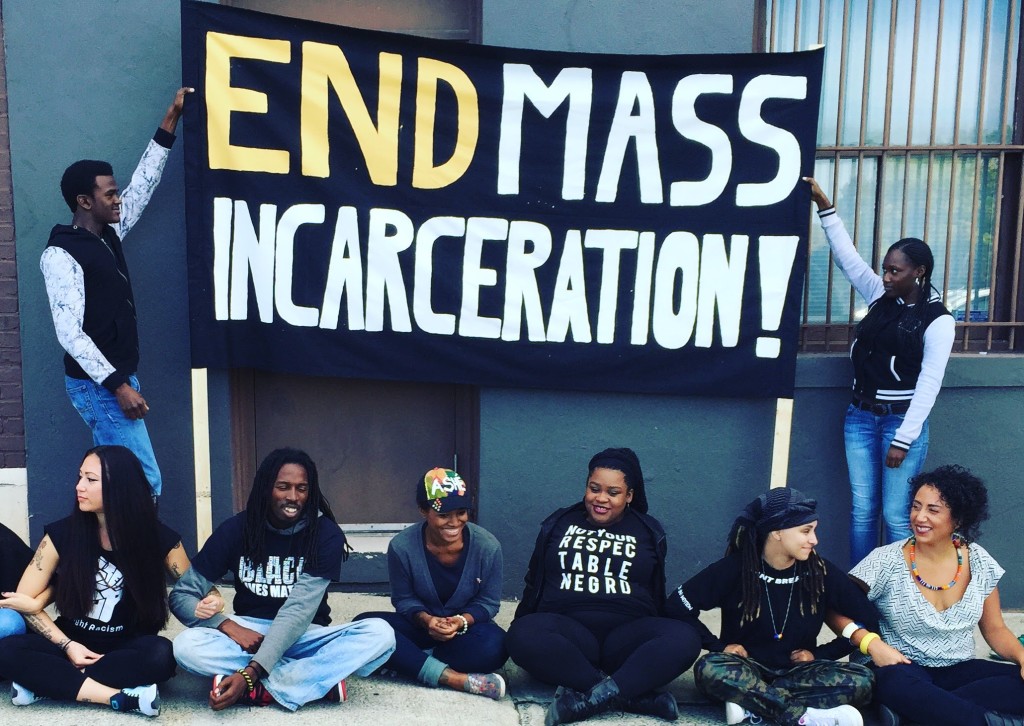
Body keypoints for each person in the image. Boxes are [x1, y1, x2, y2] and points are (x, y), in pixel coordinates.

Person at [41, 87, 194, 499]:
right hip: (99, 385)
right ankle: (135, 560)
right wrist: (118, 386)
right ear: (83, 201)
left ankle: (111, 559)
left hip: (113, 379)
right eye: (109, 194)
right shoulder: (61, 254)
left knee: (113, 486)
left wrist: (171, 119)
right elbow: (70, 334)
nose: (118, 199)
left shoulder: (108, 234)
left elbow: (143, 187)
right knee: (142, 482)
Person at [170, 447, 396, 711]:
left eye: (302, 488)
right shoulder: (235, 530)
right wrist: (227, 625)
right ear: (267, 488)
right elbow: (181, 595)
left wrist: (250, 674)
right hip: (250, 632)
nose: (293, 497)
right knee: (186, 646)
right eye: (283, 487)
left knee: (380, 635)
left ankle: (259, 688)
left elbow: (297, 612)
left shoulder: (325, 534)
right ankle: (313, 681)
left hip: (305, 633)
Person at [0, 445, 220, 716]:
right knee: (6, 651)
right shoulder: (62, 534)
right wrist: (68, 646)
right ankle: (116, 696)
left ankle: (49, 684)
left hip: (127, 645)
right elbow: (24, 602)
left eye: (90, 480)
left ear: (120, 488)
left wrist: (213, 598)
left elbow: (195, 586)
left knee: (161, 655)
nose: (79, 486)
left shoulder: (158, 538)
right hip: (70, 640)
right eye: (80, 477)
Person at [804, 177, 955, 565]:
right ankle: (861, 589)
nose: (886, 277)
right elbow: (847, 258)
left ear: (918, 272)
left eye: (896, 271)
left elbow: (930, 382)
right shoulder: (879, 296)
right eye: (885, 270)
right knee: (862, 511)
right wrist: (826, 208)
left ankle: (898, 594)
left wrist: (903, 439)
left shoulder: (937, 319)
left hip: (900, 422)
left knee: (895, 515)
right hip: (859, 417)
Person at [506, 447, 701, 725]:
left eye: (613, 492)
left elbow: (655, 591)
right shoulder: (559, 522)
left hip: (626, 639)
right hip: (567, 634)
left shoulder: (648, 531)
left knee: (685, 638)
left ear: (629, 496)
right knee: (521, 635)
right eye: (594, 488)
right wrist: (522, 627)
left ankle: (591, 698)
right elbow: (533, 578)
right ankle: (629, 695)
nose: (601, 499)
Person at [666, 487, 876, 726]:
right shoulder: (736, 568)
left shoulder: (820, 571)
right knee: (710, 669)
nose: (814, 540)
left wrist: (819, 654)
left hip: (797, 673)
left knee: (863, 680)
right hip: (746, 667)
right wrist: (718, 645)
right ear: (777, 532)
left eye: (814, 531)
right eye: (805, 531)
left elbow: (867, 618)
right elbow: (677, 605)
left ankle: (752, 704)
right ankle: (805, 717)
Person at [833, 465, 1024, 726]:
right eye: (916, 506)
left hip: (957, 669)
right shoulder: (886, 560)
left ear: (958, 519)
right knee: (892, 682)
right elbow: (834, 607)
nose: (919, 517)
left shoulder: (979, 560)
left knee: (1017, 682)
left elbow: (995, 629)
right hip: (901, 666)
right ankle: (976, 720)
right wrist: (870, 643)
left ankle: (917, 715)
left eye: (932, 510)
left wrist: (1023, 658)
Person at [354, 467, 507, 699]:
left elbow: (488, 603)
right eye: (444, 515)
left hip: (464, 633)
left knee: (497, 645)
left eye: (462, 512)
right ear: (423, 510)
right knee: (362, 625)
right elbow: (403, 600)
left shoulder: (488, 547)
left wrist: (460, 621)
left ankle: (408, 660)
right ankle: (452, 677)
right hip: (420, 627)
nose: (454, 522)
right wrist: (427, 621)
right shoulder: (402, 547)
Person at [0, 522, 33, 642]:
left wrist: (37, 604)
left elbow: (51, 580)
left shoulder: (5, 539)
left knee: (10, 623)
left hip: (5, 611)